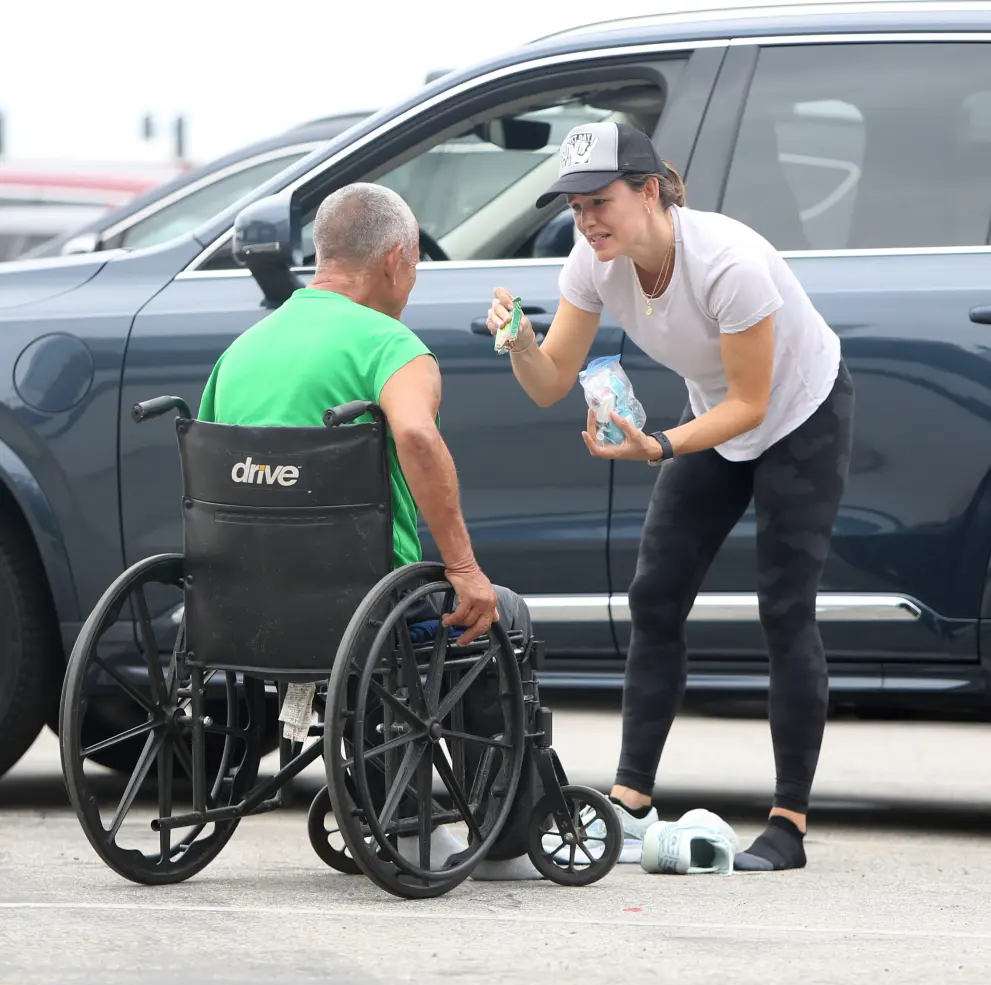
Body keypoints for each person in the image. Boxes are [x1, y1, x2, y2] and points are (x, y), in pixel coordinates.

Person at [485, 122, 854, 872]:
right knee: (654, 598)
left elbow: (752, 403)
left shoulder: (728, 263)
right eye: (575, 205)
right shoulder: (592, 264)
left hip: (799, 414)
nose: (586, 220)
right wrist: (521, 342)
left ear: (647, 191)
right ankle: (631, 796)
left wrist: (657, 445)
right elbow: (552, 381)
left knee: (783, 607)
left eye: (600, 201)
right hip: (714, 417)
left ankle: (787, 822)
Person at [198, 182, 541, 880]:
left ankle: (392, 801)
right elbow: (415, 432)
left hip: (241, 608)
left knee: (429, 618)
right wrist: (463, 568)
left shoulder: (244, 350)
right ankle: (505, 834)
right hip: (364, 608)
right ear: (397, 258)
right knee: (498, 613)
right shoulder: (391, 345)